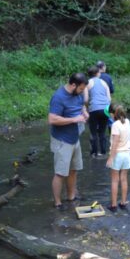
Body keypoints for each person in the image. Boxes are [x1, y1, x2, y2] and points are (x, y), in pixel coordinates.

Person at [48, 72, 89, 209]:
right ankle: (58, 203)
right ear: (73, 85)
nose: (82, 92)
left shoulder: (78, 94)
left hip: (75, 138)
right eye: (81, 89)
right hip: (62, 140)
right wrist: (74, 119)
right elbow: (52, 119)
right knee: (60, 173)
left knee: (73, 170)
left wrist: (84, 112)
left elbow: (81, 105)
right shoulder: (58, 97)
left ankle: (71, 197)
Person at [106, 105, 130, 213]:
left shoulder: (115, 125)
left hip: (118, 155)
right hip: (127, 155)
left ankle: (114, 205)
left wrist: (110, 158)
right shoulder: (127, 121)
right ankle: (123, 202)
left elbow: (115, 143)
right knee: (124, 179)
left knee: (115, 180)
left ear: (112, 114)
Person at [86, 65, 111, 157]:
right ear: (97, 73)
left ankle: (94, 153)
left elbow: (85, 99)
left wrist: (87, 107)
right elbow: (109, 99)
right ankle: (104, 152)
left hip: (94, 109)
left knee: (93, 132)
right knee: (102, 132)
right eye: (99, 72)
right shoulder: (104, 82)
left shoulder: (88, 83)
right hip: (105, 109)